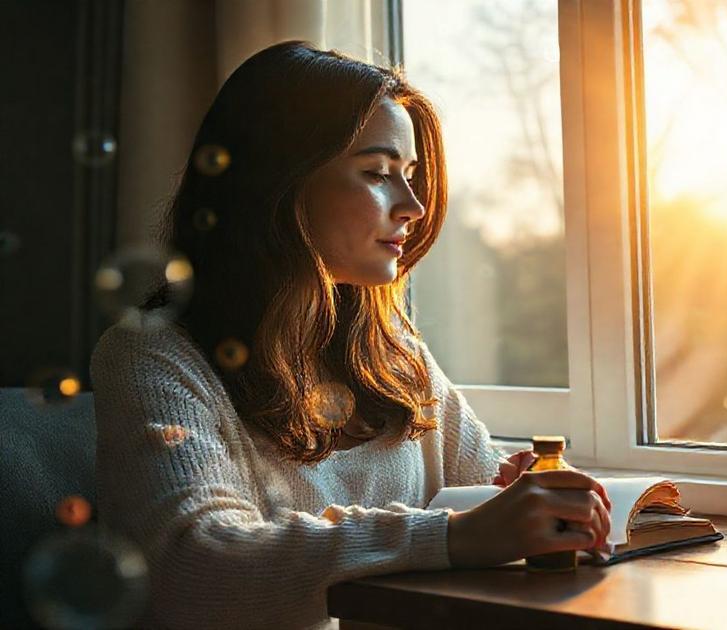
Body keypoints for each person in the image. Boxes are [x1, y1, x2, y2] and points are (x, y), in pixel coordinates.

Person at [92, 40, 611, 630]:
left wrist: (514, 499)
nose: (414, 206)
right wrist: (456, 534)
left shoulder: (391, 355)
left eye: (411, 176)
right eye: (377, 173)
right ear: (278, 182)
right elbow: (195, 568)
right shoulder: (153, 357)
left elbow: (469, 500)